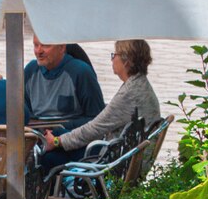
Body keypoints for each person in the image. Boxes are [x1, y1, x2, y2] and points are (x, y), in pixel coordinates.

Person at [37, 39, 158, 169]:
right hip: (125, 153)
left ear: (126, 61)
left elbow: (95, 128)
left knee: (48, 157)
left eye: (114, 55)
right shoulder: (139, 85)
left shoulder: (129, 94)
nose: (112, 60)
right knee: (60, 132)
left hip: (113, 161)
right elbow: (107, 119)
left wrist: (56, 141)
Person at [21, 36, 104, 130]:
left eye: (45, 45)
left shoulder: (81, 72)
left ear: (61, 47)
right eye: (36, 45)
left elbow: (98, 119)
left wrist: (59, 130)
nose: (38, 51)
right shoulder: (30, 70)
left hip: (72, 139)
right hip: (37, 138)